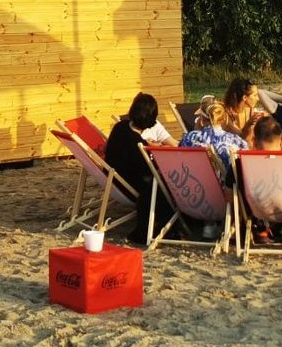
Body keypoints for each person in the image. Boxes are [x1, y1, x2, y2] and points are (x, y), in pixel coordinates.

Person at [102, 92, 171, 245]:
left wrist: (147, 144)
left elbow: (124, 146)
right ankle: (167, 226)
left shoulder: (119, 127)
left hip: (113, 180)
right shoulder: (138, 146)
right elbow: (148, 171)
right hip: (130, 184)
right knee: (162, 182)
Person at [179, 100, 249, 172]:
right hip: (226, 182)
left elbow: (180, 159)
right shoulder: (237, 141)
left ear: (202, 120)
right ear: (224, 119)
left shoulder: (189, 138)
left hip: (194, 180)